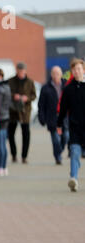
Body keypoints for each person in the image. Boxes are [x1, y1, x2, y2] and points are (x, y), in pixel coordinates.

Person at [57, 58, 85, 192]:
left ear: (83, 70)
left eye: (79, 69)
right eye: (74, 69)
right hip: (75, 127)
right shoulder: (68, 89)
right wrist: (59, 124)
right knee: (74, 152)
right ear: (72, 72)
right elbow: (63, 108)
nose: (77, 71)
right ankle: (73, 178)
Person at [38, 66, 68, 165]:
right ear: (51, 75)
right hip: (52, 118)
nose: (56, 76)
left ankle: (59, 151)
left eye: (58, 73)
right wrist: (42, 118)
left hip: (64, 117)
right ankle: (58, 157)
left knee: (66, 136)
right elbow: (41, 104)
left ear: (61, 74)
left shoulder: (66, 85)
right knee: (55, 139)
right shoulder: (46, 88)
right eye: (54, 74)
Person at [7, 62, 37, 164]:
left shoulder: (30, 82)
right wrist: (14, 96)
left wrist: (27, 98)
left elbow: (34, 95)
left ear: (25, 71)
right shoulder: (10, 81)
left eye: (22, 71)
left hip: (25, 111)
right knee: (11, 134)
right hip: (13, 111)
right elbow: (7, 93)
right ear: (17, 70)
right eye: (19, 71)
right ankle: (14, 154)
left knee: (26, 134)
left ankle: (24, 156)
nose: (21, 73)